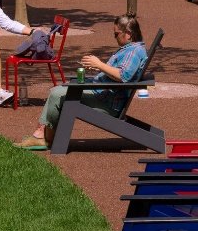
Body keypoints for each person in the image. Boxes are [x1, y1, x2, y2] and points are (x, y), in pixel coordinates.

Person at [18, 16, 148, 151]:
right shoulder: (130, 49)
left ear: (128, 34)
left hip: (106, 101)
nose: (114, 37)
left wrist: (100, 65)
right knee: (59, 90)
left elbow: (123, 76)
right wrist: (99, 69)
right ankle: (42, 134)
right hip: (103, 93)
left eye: (116, 34)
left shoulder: (134, 51)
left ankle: (44, 138)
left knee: (57, 94)